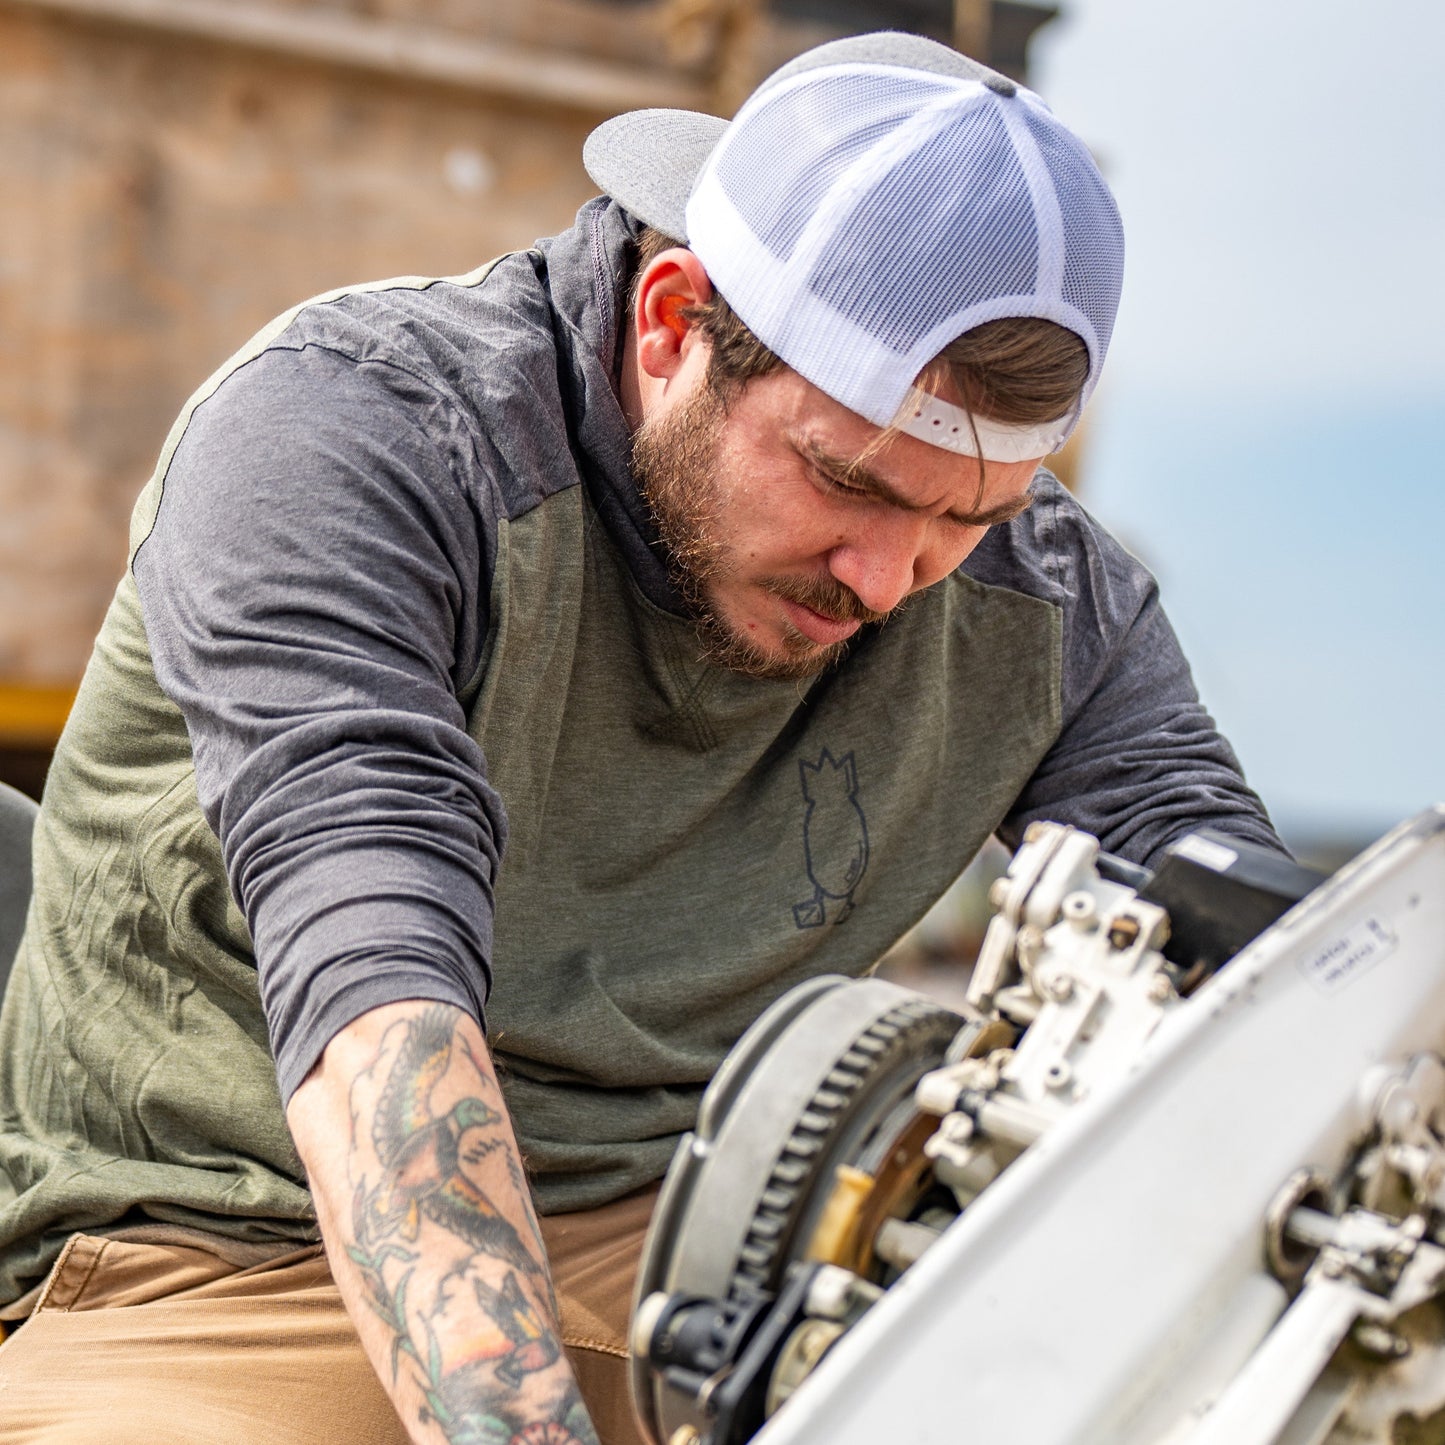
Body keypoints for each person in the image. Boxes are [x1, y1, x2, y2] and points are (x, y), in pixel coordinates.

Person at [0, 29, 1281, 1445]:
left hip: (711, 1251)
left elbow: (1254, 963)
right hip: (214, 1267)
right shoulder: (352, 441)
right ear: (673, 319)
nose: (886, 577)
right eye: (843, 480)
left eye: (962, 516)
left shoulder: (1040, 597)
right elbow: (379, 1000)